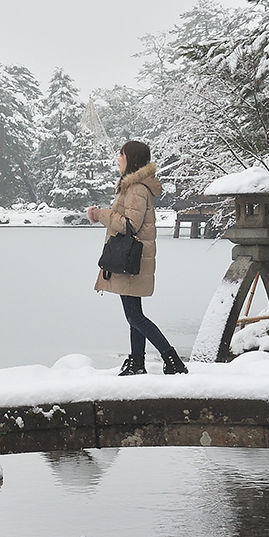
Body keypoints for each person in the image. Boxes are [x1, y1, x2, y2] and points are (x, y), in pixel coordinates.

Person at [87, 140, 188, 376]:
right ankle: (138, 363)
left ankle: (172, 359)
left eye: (121, 155)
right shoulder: (134, 187)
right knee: (135, 315)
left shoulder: (136, 189)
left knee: (135, 317)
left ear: (130, 159)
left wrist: (101, 214)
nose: (118, 159)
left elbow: (130, 225)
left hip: (131, 259)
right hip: (131, 259)